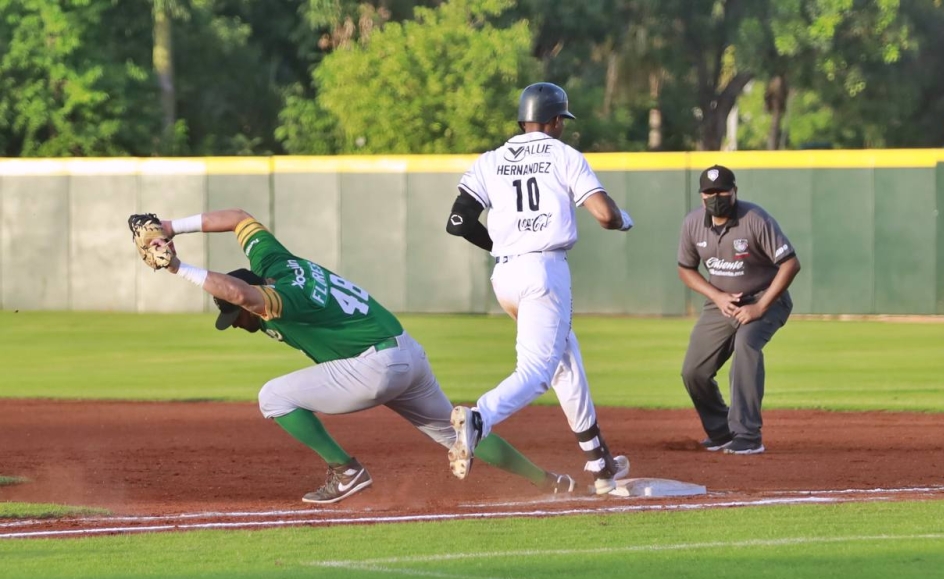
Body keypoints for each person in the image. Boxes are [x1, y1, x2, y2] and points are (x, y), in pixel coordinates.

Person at [141, 208, 577, 504]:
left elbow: (237, 292)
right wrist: (169, 226)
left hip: (376, 367)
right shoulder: (276, 260)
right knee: (454, 432)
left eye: (235, 318)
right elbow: (238, 218)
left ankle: (346, 471)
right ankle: (551, 484)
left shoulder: (276, 298)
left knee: (273, 397)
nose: (237, 323)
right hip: (408, 353)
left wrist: (177, 267)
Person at [444, 82, 632, 495]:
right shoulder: (564, 155)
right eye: (561, 119)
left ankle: (600, 462)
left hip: (506, 275)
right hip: (543, 272)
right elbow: (603, 214)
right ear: (553, 121)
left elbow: (457, 222)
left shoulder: (490, 160)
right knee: (536, 372)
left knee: (564, 356)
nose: (562, 126)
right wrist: (622, 219)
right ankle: (480, 417)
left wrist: (503, 246)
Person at [677, 165, 801, 455]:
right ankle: (721, 432)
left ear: (734, 191)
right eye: (709, 192)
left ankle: (747, 435)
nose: (715, 196)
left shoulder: (754, 218)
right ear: (701, 196)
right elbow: (685, 269)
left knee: (747, 345)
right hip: (721, 303)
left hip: (766, 298)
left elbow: (790, 264)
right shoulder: (693, 223)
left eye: (721, 191)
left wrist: (759, 307)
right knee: (693, 371)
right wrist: (716, 296)